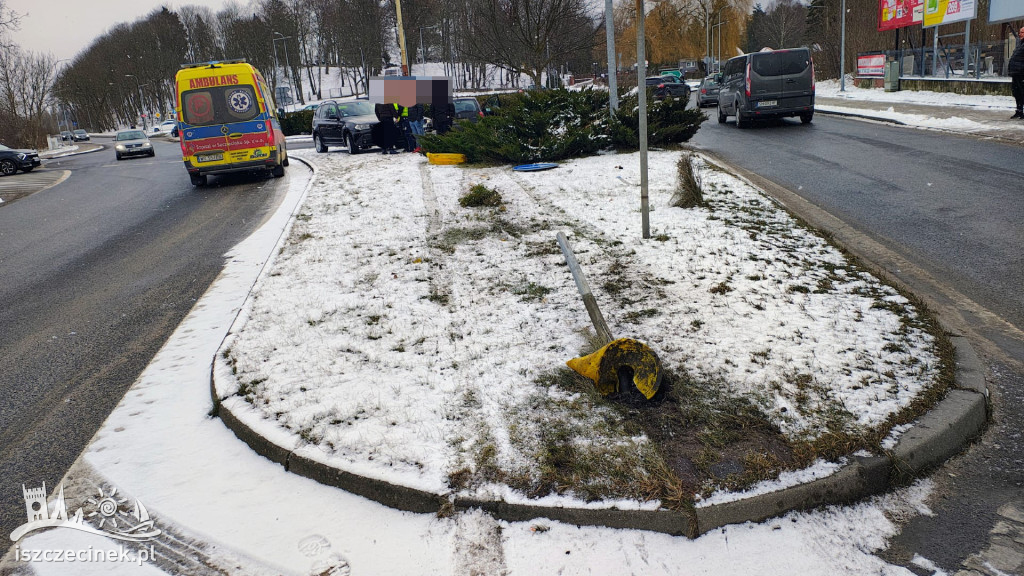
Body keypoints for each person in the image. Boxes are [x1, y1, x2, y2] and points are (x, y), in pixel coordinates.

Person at [1010, 26, 1024, 120]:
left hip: (1022, 73)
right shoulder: (1020, 43)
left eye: (1022, 32)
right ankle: (1019, 111)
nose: (1020, 34)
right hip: (1016, 72)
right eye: (1020, 32)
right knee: (1016, 92)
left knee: (1022, 92)